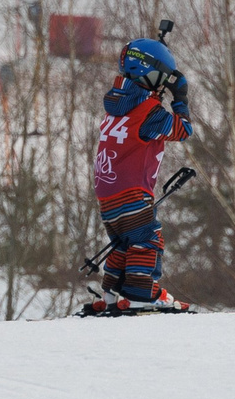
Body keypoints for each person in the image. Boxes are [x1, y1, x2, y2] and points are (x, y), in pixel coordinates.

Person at [80, 36, 194, 316]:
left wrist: (156, 94)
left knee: (123, 243)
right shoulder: (148, 113)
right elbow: (183, 130)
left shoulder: (116, 106)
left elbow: (140, 115)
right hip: (132, 192)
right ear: (148, 74)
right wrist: (180, 98)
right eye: (160, 77)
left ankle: (113, 292)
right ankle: (141, 294)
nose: (162, 83)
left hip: (107, 195)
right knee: (147, 239)